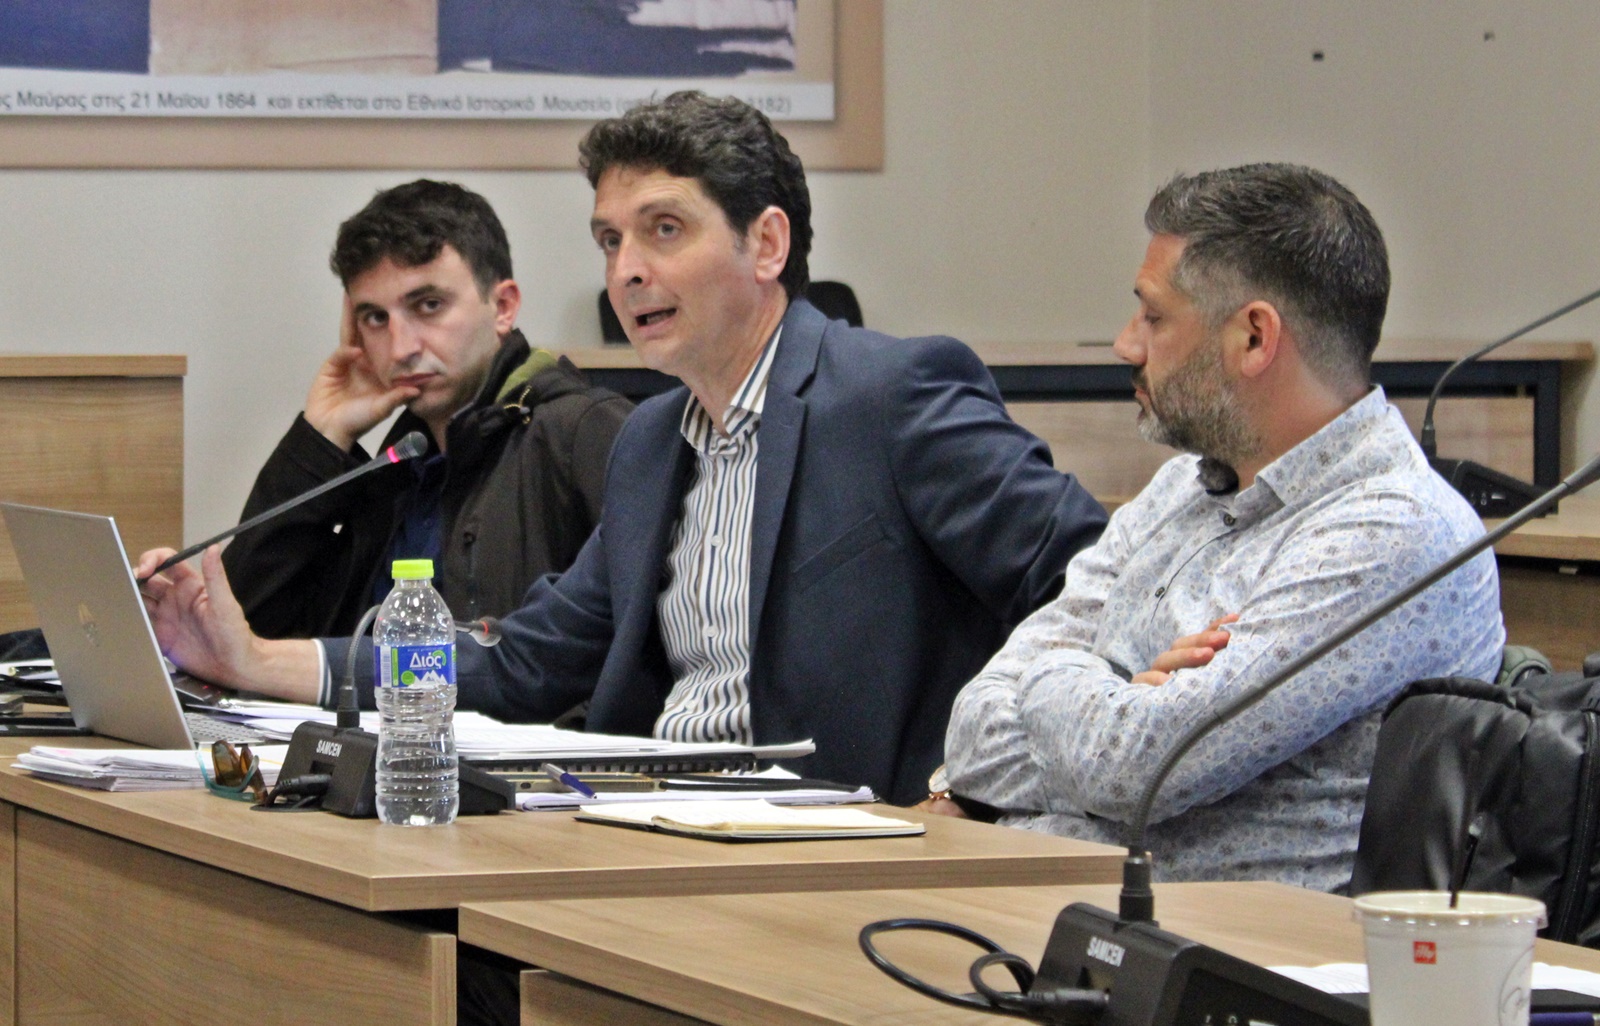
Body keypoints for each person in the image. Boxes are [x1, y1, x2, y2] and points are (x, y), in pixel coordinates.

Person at [137, 92, 1107, 805]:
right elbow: (523, 661)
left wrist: (970, 783)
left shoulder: (887, 394)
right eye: (609, 241)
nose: (627, 271)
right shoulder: (653, 441)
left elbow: (1092, 583)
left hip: (839, 844)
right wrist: (259, 660)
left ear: (766, 245)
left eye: (663, 231)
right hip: (657, 822)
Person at [937, 163, 1504, 892]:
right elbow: (972, 736)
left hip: (1215, 951)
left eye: (1154, 317)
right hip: (1045, 908)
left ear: (1255, 337)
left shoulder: (1394, 533)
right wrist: (1118, 698)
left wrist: (1078, 679)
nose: (1126, 345)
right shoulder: (1183, 487)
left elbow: (1131, 770)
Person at [220, 179, 632, 638]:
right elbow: (243, 632)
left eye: (429, 305)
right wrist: (323, 435)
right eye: (376, 317)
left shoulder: (582, 431)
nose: (401, 349)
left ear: (503, 306)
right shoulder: (397, 470)